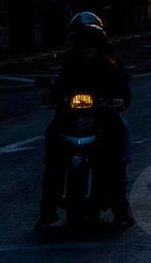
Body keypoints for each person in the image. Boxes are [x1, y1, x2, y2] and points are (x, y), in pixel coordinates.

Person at [37, 12, 133, 227]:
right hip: (69, 115)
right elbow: (61, 84)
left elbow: (122, 85)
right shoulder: (70, 61)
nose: (87, 45)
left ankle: (121, 210)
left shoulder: (110, 61)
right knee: (53, 146)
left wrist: (119, 99)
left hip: (103, 115)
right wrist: (51, 96)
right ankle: (47, 210)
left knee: (117, 145)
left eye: (91, 40)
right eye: (82, 40)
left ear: (100, 40)